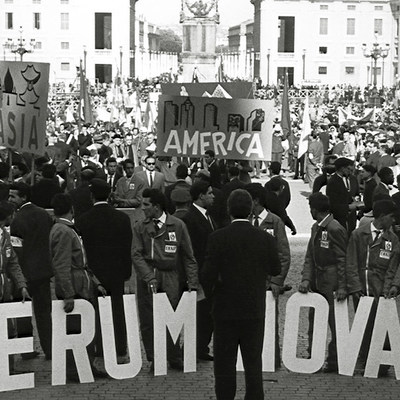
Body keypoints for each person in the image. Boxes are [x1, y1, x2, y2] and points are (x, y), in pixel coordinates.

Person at [202, 189, 281, 400]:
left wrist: (213, 295)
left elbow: (207, 275)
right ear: (250, 210)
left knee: (224, 364)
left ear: (229, 210)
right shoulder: (264, 238)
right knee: (253, 362)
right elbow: (275, 268)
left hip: (224, 309)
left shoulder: (217, 238)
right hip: (254, 307)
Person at [132, 188, 198, 371]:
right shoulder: (139, 226)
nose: (142, 208)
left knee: (171, 315)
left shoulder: (177, 225)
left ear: (156, 206)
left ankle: (174, 355)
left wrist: (193, 282)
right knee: (147, 319)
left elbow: (188, 256)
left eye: (146, 204)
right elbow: (136, 255)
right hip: (147, 276)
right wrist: (148, 277)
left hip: (169, 275)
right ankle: (155, 357)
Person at [49, 193, 107, 381]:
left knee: (83, 328)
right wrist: (68, 294)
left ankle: (84, 365)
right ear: (71, 209)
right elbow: (62, 265)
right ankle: (76, 369)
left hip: (80, 281)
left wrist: (96, 282)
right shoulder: (63, 231)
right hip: (75, 285)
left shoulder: (64, 229)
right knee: (76, 330)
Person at [76, 179, 132, 360]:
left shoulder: (83, 219)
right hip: (116, 271)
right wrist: (126, 271)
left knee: (96, 311)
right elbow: (126, 247)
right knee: (117, 309)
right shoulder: (122, 218)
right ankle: (120, 346)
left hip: (94, 272)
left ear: (92, 196)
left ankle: (100, 347)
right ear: (109, 195)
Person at [346, 199, 400, 376]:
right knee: (364, 325)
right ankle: (362, 358)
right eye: (391, 217)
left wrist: (393, 286)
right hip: (362, 290)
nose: (394, 221)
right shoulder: (358, 234)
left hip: (380, 289)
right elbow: (351, 263)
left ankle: (382, 362)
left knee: (382, 325)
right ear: (383, 216)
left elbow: (394, 266)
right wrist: (354, 286)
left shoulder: (392, 239)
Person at [298, 192, 348, 373]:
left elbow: (343, 259)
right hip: (318, 281)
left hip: (332, 280)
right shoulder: (315, 227)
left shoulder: (335, 228)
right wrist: (306, 278)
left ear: (314, 209)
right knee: (315, 318)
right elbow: (310, 255)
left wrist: (342, 285)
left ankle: (335, 360)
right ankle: (313, 356)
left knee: (335, 322)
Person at [246, 182, 290, 369]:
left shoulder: (275, 221)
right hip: (247, 283)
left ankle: (273, 360)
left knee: (270, 322)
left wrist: (276, 281)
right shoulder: (244, 221)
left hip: (267, 284)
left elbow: (284, 254)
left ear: (255, 200)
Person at [9, 182, 54, 360]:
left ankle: (27, 349)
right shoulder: (44, 214)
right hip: (43, 271)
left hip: (25, 273)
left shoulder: (16, 219)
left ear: (24, 197)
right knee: (44, 313)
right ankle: (49, 348)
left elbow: (16, 250)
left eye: (13, 196)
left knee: (24, 313)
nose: (9, 199)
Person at [182, 181, 216, 361]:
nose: (213, 196)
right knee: (199, 314)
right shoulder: (190, 218)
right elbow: (191, 251)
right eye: (209, 193)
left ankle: (201, 347)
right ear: (201, 196)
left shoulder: (208, 216)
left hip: (210, 275)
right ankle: (192, 348)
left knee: (207, 315)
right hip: (200, 275)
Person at [0, 201, 29, 372]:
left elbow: (13, 264)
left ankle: (9, 369)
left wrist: (21, 284)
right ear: (9, 215)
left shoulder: (5, 235)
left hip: (4, 289)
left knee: (8, 329)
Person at [326, 157, 360, 234]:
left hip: (352, 217)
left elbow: (356, 193)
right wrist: (347, 207)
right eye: (349, 169)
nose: (351, 172)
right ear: (342, 168)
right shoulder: (333, 182)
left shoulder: (353, 179)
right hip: (339, 217)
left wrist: (356, 199)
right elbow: (332, 202)